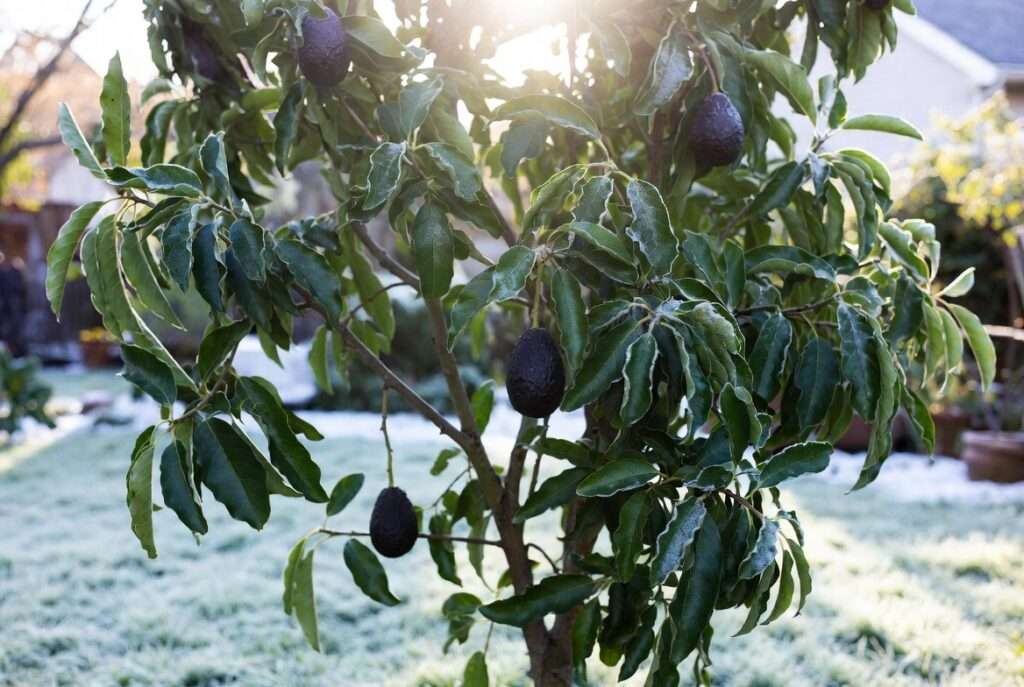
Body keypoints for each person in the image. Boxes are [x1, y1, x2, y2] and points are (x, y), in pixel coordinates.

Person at [0, 251, 28, 357]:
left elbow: (21, 290)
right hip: (8, 307)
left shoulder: (13, 273)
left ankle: (16, 352)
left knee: (14, 331)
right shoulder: (6, 274)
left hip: (13, 307)